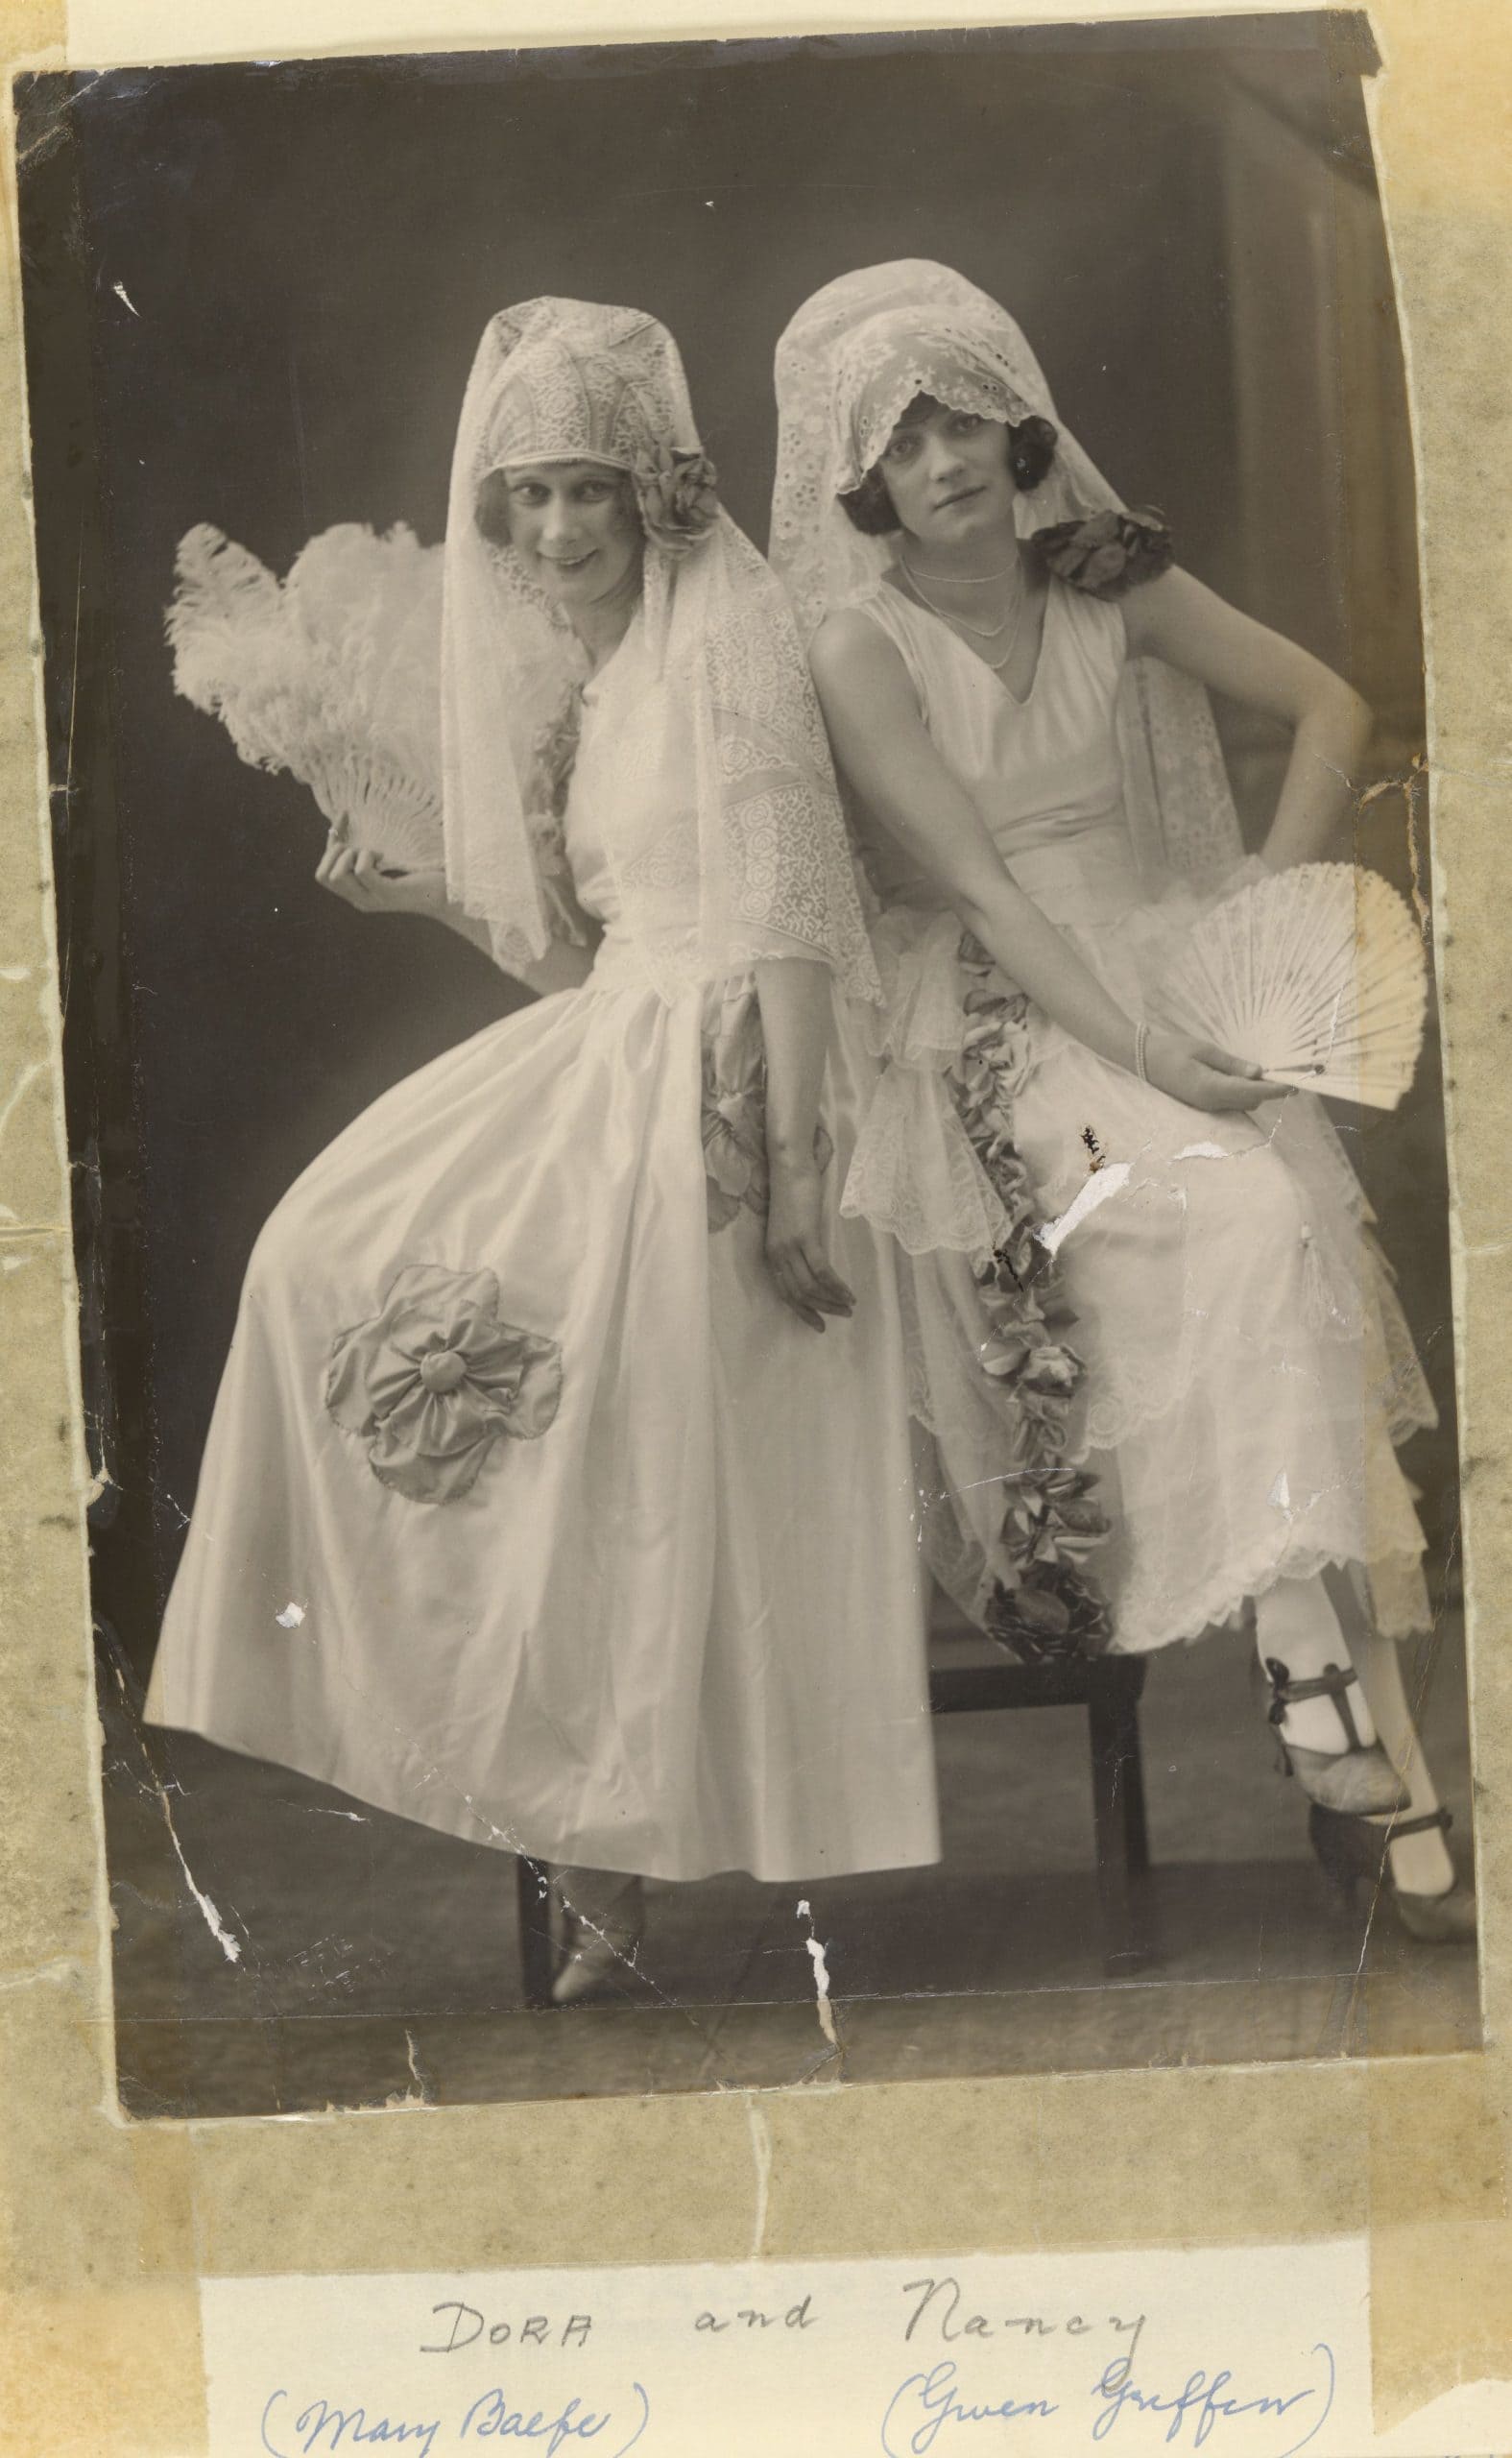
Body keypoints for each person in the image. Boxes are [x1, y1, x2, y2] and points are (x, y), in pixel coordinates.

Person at [146, 297, 1008, 2004]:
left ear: (654, 497)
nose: (554, 532)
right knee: (324, 1252)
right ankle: (553, 1791)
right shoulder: (593, 683)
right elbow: (583, 954)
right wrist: (416, 902)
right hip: (622, 1031)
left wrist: (769, 1178)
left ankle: (619, 1848)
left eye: (587, 495)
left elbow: (787, 920)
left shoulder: (734, 634)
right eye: (528, 498)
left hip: (753, 1067)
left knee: (629, 1370)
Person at [770, 260, 1471, 1942]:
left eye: (965, 420)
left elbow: (1333, 707)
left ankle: (1357, 1726)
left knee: (1290, 1229)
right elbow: (992, 899)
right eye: (905, 438)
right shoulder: (861, 648)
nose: (944, 461)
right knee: (1232, 1213)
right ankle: (1310, 1674)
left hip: (1167, 967)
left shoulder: (1110, 589)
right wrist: (1157, 1054)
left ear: (1021, 427)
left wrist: (1261, 920)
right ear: (863, 476)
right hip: (1004, 1019)